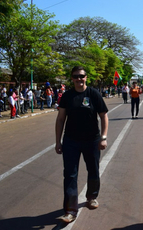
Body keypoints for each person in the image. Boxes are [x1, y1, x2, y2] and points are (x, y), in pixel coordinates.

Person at [55, 66, 109, 223]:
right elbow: (60, 119)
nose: (79, 79)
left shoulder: (94, 94)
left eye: (82, 76)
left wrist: (103, 137)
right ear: (72, 78)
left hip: (92, 140)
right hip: (71, 140)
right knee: (70, 174)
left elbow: (104, 116)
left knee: (93, 169)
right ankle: (70, 210)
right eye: (76, 76)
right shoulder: (67, 96)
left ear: (86, 77)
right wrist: (58, 141)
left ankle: (92, 197)